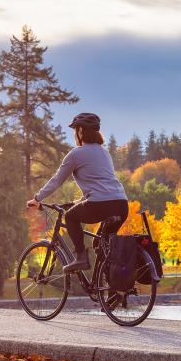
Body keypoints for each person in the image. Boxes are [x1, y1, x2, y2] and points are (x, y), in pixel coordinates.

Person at [27, 113, 129, 272]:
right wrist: (78, 203)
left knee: (70, 216)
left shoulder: (76, 154)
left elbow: (56, 180)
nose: (75, 134)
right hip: (121, 205)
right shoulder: (105, 152)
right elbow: (99, 183)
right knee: (103, 246)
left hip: (100, 204)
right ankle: (112, 291)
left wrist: (37, 198)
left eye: (75, 131)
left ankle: (81, 257)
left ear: (80, 131)